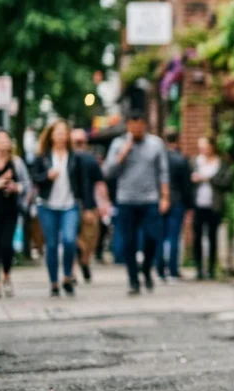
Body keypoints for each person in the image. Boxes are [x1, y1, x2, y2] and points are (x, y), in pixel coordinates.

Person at [104, 112, 170, 295]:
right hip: (126, 200)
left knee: (152, 237)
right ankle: (133, 280)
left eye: (139, 126)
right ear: (128, 126)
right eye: (133, 126)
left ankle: (147, 268)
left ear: (145, 125)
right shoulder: (118, 144)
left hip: (149, 199)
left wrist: (165, 196)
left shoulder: (156, 144)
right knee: (129, 242)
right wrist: (122, 155)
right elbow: (108, 171)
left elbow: (163, 172)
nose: (136, 130)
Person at [32, 120, 93, 297]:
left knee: (69, 240)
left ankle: (67, 276)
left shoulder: (75, 157)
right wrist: (47, 176)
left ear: (67, 136)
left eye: (63, 132)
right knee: (51, 245)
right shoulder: (43, 156)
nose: (60, 135)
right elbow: (34, 178)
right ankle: (53, 282)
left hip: (70, 205)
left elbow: (84, 183)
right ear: (51, 135)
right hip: (47, 206)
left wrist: (88, 207)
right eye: (57, 132)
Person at [70, 129, 109, 283]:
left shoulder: (90, 160)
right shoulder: (66, 160)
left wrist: (104, 204)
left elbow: (100, 183)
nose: (79, 145)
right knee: (71, 239)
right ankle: (71, 271)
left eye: (81, 142)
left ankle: (84, 262)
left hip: (89, 205)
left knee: (89, 240)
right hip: (69, 204)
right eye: (76, 142)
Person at [191, 136, 230, 280]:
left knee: (213, 236)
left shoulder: (220, 163)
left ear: (212, 147)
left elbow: (226, 182)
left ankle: (212, 268)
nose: (203, 149)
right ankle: (199, 268)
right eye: (200, 147)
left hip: (214, 205)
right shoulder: (195, 162)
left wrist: (208, 179)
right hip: (198, 204)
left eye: (205, 146)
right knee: (197, 237)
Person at [0, 129, 28, 298]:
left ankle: (7, 275)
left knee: (6, 245)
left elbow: (26, 186)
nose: (4, 143)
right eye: (1, 140)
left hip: (10, 211)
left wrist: (16, 187)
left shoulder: (17, 163)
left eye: (7, 140)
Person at [157, 129, 192, 282]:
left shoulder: (160, 158)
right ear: (178, 140)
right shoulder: (181, 159)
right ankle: (172, 270)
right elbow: (187, 186)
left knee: (160, 235)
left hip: (160, 201)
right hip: (177, 201)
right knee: (174, 237)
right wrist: (189, 205)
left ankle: (159, 268)